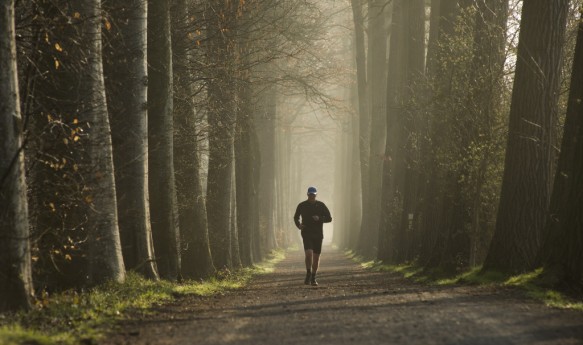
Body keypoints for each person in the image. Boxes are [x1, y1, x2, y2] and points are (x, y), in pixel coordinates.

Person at [293, 186, 332, 286]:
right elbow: (296, 217)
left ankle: (313, 277)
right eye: (310, 195)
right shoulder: (302, 205)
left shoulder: (321, 205)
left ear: (316, 195)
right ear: (307, 194)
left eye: (313, 195)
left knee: (316, 257)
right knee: (309, 253)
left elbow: (329, 218)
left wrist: (319, 218)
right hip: (306, 233)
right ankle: (308, 273)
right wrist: (299, 225)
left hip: (318, 234)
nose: (312, 197)